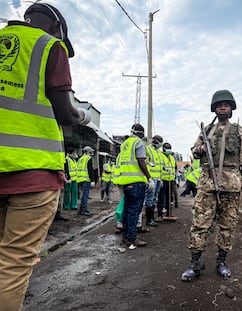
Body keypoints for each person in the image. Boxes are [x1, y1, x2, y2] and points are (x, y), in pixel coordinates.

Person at [0, 3, 91, 309]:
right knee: (14, 260)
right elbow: (65, 111)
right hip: (32, 171)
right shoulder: (49, 46)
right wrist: (82, 116)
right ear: (56, 28)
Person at [181, 89, 242, 282]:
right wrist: (201, 149)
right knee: (200, 224)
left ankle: (221, 262)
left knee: (227, 225)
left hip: (231, 183)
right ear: (214, 109)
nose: (223, 107)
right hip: (207, 184)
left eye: (226, 105)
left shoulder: (240, 130)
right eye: (220, 105)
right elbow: (194, 151)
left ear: (231, 109)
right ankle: (195, 264)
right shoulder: (206, 131)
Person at [117, 123, 154, 249]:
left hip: (126, 181)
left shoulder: (125, 144)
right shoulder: (138, 143)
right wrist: (149, 177)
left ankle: (126, 237)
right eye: (143, 134)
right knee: (134, 211)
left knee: (127, 210)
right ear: (140, 133)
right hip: (136, 181)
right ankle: (132, 238)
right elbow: (141, 161)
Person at [144, 135, 164, 227]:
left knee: (154, 199)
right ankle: (149, 219)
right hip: (151, 178)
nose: (160, 145)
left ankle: (152, 218)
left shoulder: (159, 153)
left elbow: (160, 166)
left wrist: (161, 178)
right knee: (149, 198)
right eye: (160, 143)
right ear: (155, 142)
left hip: (158, 179)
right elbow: (145, 163)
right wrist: (149, 179)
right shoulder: (147, 149)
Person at [158, 142, 178, 218]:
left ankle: (169, 213)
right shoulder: (160, 156)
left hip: (171, 180)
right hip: (163, 179)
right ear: (163, 149)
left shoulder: (172, 158)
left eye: (170, 148)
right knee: (161, 197)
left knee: (169, 198)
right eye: (167, 148)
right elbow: (159, 167)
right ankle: (160, 215)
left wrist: (175, 178)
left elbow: (174, 168)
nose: (169, 150)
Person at [77, 146, 95, 216]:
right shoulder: (89, 158)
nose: (91, 153)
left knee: (83, 195)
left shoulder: (80, 159)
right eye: (90, 151)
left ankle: (81, 209)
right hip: (86, 179)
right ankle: (84, 210)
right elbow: (90, 170)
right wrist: (92, 180)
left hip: (80, 179)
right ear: (87, 151)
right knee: (85, 195)